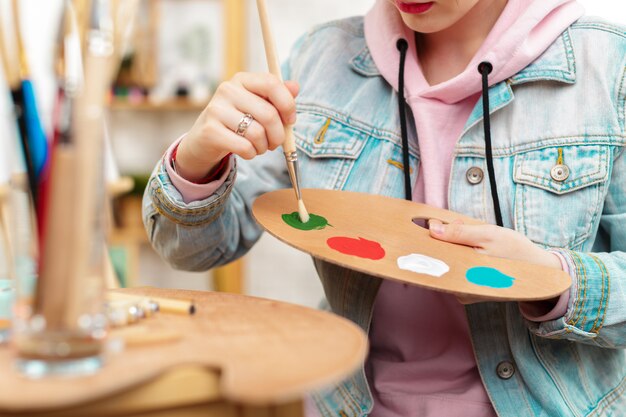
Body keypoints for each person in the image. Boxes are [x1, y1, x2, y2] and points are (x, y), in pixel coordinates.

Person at [142, 0, 626, 415]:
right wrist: (197, 162)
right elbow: (194, 252)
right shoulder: (319, 60)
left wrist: (551, 280)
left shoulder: (608, 64)